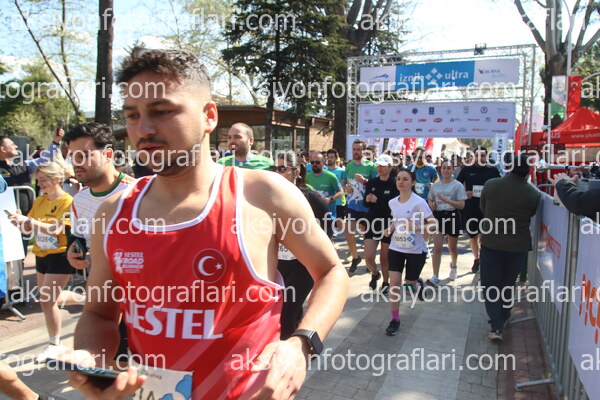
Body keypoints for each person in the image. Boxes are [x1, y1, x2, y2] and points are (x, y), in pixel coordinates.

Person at [67, 47, 347, 398]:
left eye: (162, 111)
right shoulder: (113, 213)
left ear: (209, 116)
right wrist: (91, 359)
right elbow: (99, 313)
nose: (144, 129)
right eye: (132, 115)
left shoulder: (263, 194)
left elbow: (331, 271)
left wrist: (301, 344)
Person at [7, 161, 74, 363]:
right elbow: (29, 228)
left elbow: (55, 229)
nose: (40, 184)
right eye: (38, 181)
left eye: (43, 180)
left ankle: (54, 344)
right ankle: (88, 300)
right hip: (41, 254)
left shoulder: (68, 201)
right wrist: (19, 222)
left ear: (57, 179)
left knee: (47, 300)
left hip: (60, 255)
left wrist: (30, 222)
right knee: (50, 298)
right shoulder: (40, 200)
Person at [479, 153, 540, 341]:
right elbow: (531, 213)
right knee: (507, 284)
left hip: (491, 243)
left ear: (510, 167)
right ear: (528, 172)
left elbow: (483, 208)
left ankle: (496, 325)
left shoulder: (491, 184)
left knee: (491, 285)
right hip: (517, 247)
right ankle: (504, 315)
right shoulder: (533, 194)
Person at [274, 154, 330, 339]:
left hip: (304, 266)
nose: (277, 173)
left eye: (282, 169)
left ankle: (289, 350)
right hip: (279, 265)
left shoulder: (311, 199)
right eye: (274, 169)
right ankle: (299, 334)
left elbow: (327, 229)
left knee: (285, 313)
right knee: (290, 310)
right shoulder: (268, 198)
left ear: (296, 172)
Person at [384, 168, 435, 336]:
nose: (401, 181)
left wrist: (417, 228)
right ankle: (395, 319)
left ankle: (417, 285)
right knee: (394, 285)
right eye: (398, 178)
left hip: (416, 251)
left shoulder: (419, 202)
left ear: (413, 183)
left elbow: (434, 224)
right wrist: (390, 229)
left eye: (405, 179)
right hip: (396, 248)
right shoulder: (393, 202)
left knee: (408, 289)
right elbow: (396, 220)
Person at [0, 129, 63, 251]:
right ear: (2, 149)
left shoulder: (24, 165)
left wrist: (55, 142)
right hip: (3, 219)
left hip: (24, 218)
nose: (16, 146)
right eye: (12, 144)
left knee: (21, 252)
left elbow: (46, 160)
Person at [456, 146, 501, 273]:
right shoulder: (467, 170)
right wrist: (465, 193)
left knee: (484, 236)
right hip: (471, 208)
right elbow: (457, 186)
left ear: (486, 157)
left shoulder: (493, 170)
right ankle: (476, 259)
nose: (479, 158)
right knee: (473, 236)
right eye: (477, 155)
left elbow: (500, 186)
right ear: (474, 156)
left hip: (488, 208)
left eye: (482, 155)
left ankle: (484, 259)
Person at [427, 160, 467, 286]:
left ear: (453, 170)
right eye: (443, 168)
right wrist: (432, 205)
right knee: (437, 248)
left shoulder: (458, 185)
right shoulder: (436, 186)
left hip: (453, 215)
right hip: (439, 216)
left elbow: (461, 205)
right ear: (440, 170)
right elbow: (430, 198)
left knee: (452, 247)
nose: (446, 170)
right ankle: (435, 276)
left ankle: (454, 266)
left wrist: (446, 200)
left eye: (449, 168)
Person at [363, 154, 398, 293]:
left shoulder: (395, 184)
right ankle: (375, 274)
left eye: (383, 165)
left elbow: (394, 207)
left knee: (384, 258)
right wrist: (368, 199)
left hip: (388, 224)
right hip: (372, 222)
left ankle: (386, 282)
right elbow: (365, 203)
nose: (380, 168)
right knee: (368, 257)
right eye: (378, 165)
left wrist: (378, 200)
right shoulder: (371, 182)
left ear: (390, 167)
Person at [344, 140, 378, 273]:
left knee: (366, 235)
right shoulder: (349, 165)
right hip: (352, 204)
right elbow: (345, 182)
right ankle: (355, 257)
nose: (356, 152)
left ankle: (369, 260)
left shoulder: (371, 166)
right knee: (349, 233)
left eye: (358, 149)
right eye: (354, 149)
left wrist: (364, 181)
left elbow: (377, 184)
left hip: (366, 206)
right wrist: (346, 188)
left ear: (364, 151)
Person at [306, 152, 343, 220]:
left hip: (328, 215)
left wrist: (330, 199)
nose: (314, 164)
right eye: (312, 162)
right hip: (313, 215)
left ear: (323, 163)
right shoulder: (307, 177)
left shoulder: (331, 177)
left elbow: (341, 192)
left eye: (317, 162)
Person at [324, 148, 347, 231]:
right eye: (328, 157)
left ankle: (343, 237)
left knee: (339, 225)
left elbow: (343, 186)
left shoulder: (342, 171)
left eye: (332, 157)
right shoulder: (324, 171)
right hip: (327, 202)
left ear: (336, 158)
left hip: (338, 202)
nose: (329, 159)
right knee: (327, 225)